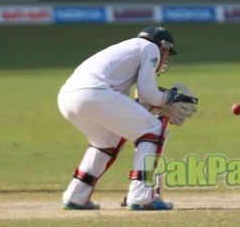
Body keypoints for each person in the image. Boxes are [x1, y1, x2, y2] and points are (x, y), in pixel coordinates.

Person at [57, 27, 196, 211]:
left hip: (68, 97)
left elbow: (129, 106)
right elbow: (147, 92)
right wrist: (169, 99)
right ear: (163, 47)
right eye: (167, 53)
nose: (164, 60)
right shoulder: (150, 48)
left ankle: (76, 196)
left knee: (108, 140)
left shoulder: (126, 53)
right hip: (95, 93)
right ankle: (140, 196)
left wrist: (153, 104)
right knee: (153, 129)